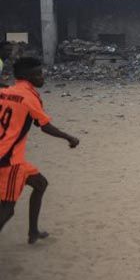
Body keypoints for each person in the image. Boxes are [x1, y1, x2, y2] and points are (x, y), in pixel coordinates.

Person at [0, 57, 80, 244]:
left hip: (12, 157)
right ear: (27, 76)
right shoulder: (29, 97)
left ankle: (33, 232)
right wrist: (69, 137)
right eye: (38, 74)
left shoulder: (5, 92)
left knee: (40, 184)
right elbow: (44, 126)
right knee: (7, 209)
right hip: (9, 162)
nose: (42, 77)